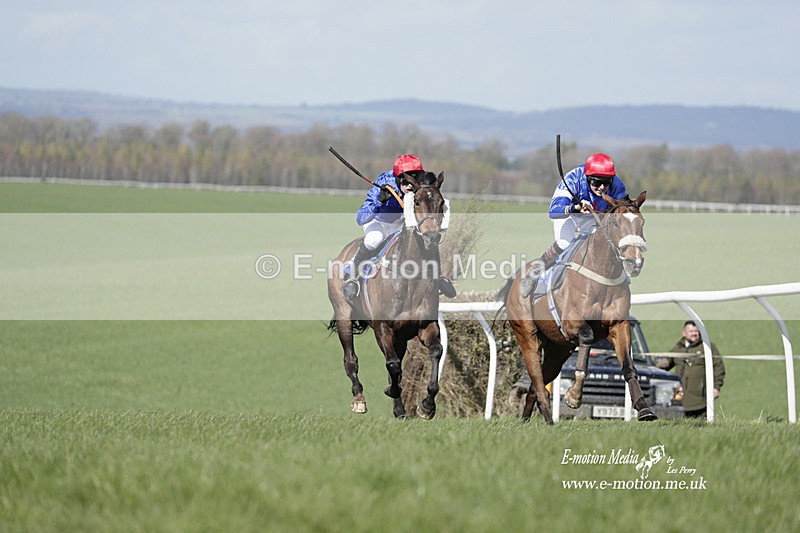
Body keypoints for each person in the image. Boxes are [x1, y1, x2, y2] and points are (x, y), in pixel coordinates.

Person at [342, 153, 456, 302]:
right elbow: (360, 218)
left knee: (426, 237)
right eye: (407, 180)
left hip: (402, 223)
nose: (411, 186)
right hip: (379, 223)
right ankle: (352, 275)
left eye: (415, 179)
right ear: (398, 179)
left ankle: (438, 276)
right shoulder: (383, 183)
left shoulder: (418, 186)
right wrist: (379, 202)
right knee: (374, 239)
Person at [520, 153, 629, 297]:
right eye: (596, 182)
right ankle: (534, 274)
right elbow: (553, 211)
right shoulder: (573, 179)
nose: (602, 187)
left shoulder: (617, 186)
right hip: (568, 214)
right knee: (565, 243)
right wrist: (575, 208)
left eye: (606, 182)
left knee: (602, 243)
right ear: (588, 178)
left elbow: (624, 210)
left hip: (593, 216)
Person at [655, 320, 726, 418]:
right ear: (684, 333)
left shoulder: (707, 347)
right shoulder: (678, 347)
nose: (694, 334)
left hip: (700, 401)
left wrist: (716, 387)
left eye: (696, 331)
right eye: (691, 331)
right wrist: (656, 363)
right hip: (680, 400)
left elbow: (719, 367)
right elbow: (666, 363)